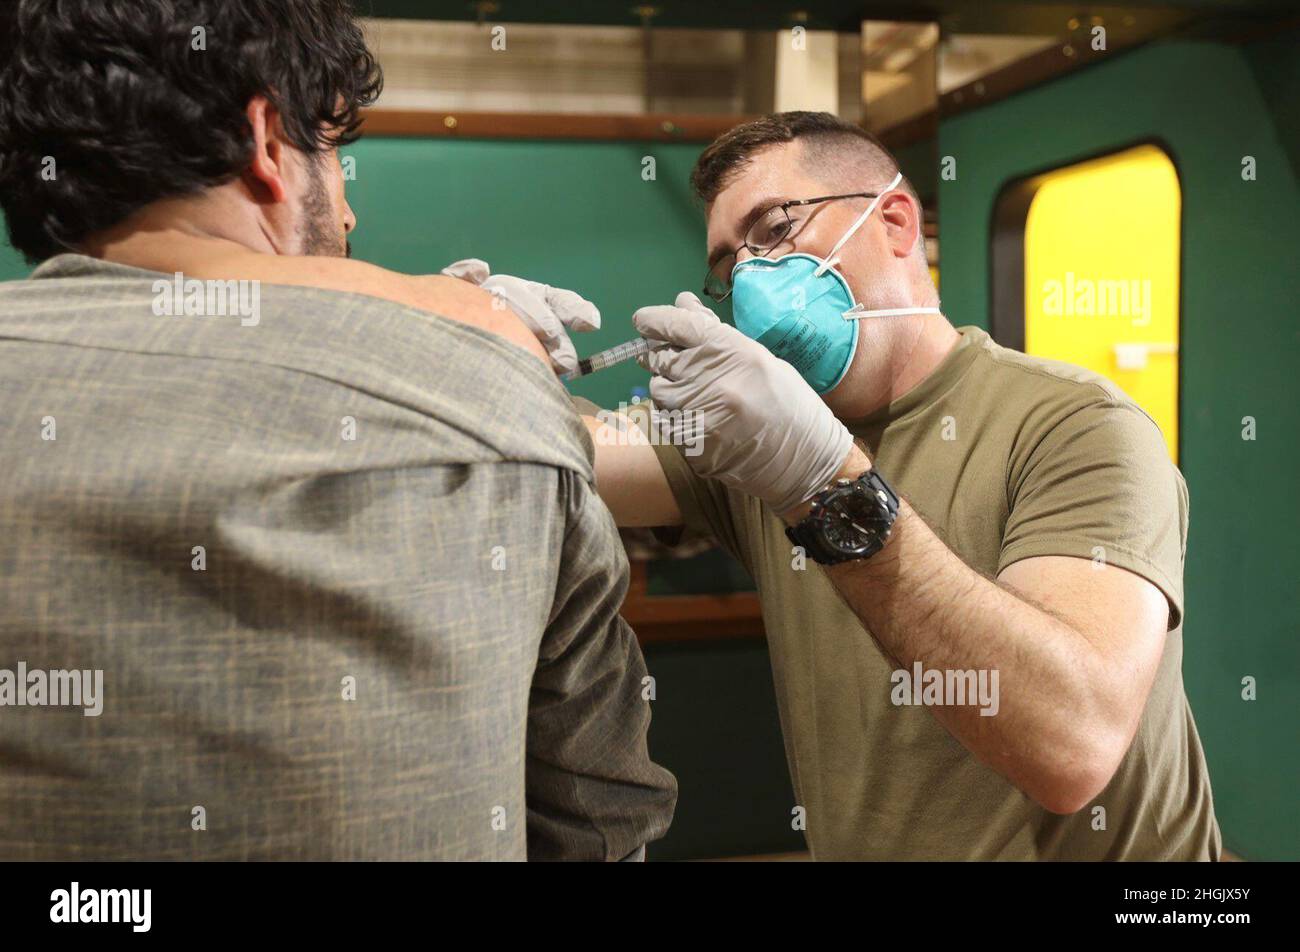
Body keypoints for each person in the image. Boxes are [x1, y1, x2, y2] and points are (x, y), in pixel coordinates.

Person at [0, 0, 674, 860]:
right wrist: (468, 348)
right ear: (268, 145)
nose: (349, 217)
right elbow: (598, 812)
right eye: (340, 160)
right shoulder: (489, 390)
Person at [561, 112, 1220, 860]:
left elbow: (1071, 743)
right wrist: (486, 346)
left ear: (896, 222)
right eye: (726, 267)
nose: (748, 277)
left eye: (774, 229)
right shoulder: (747, 441)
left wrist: (823, 482)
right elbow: (566, 450)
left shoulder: (1076, 424)